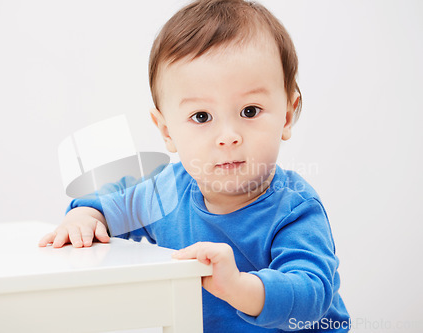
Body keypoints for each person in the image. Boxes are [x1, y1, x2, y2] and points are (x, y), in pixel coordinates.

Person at [39, 0, 350, 331]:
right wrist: (86, 215)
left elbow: (312, 293)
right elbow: (116, 200)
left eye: (250, 111)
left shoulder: (294, 208)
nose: (228, 136)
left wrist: (240, 287)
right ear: (167, 131)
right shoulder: (166, 193)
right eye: (202, 116)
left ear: (287, 117)